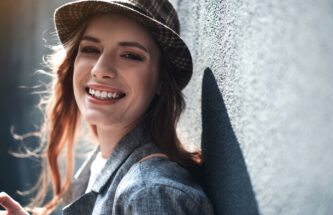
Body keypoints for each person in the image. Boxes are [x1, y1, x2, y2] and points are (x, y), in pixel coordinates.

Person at [0, 0, 214, 214]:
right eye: (91, 49)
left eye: (130, 55)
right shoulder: (100, 166)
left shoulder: (149, 192)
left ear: (160, 81)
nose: (100, 69)